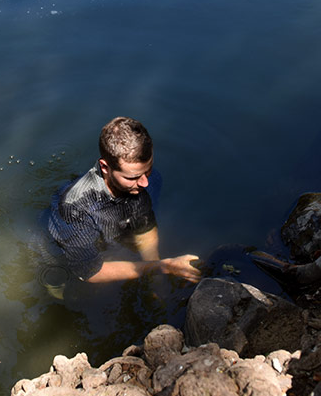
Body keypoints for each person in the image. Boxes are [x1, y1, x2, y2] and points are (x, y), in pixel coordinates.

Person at [41, 117, 202, 287]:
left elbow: (144, 225)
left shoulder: (148, 180)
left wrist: (156, 278)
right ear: (105, 167)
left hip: (110, 237)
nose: (144, 183)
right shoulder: (74, 209)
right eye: (131, 177)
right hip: (62, 258)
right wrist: (164, 267)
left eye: (148, 170)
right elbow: (90, 273)